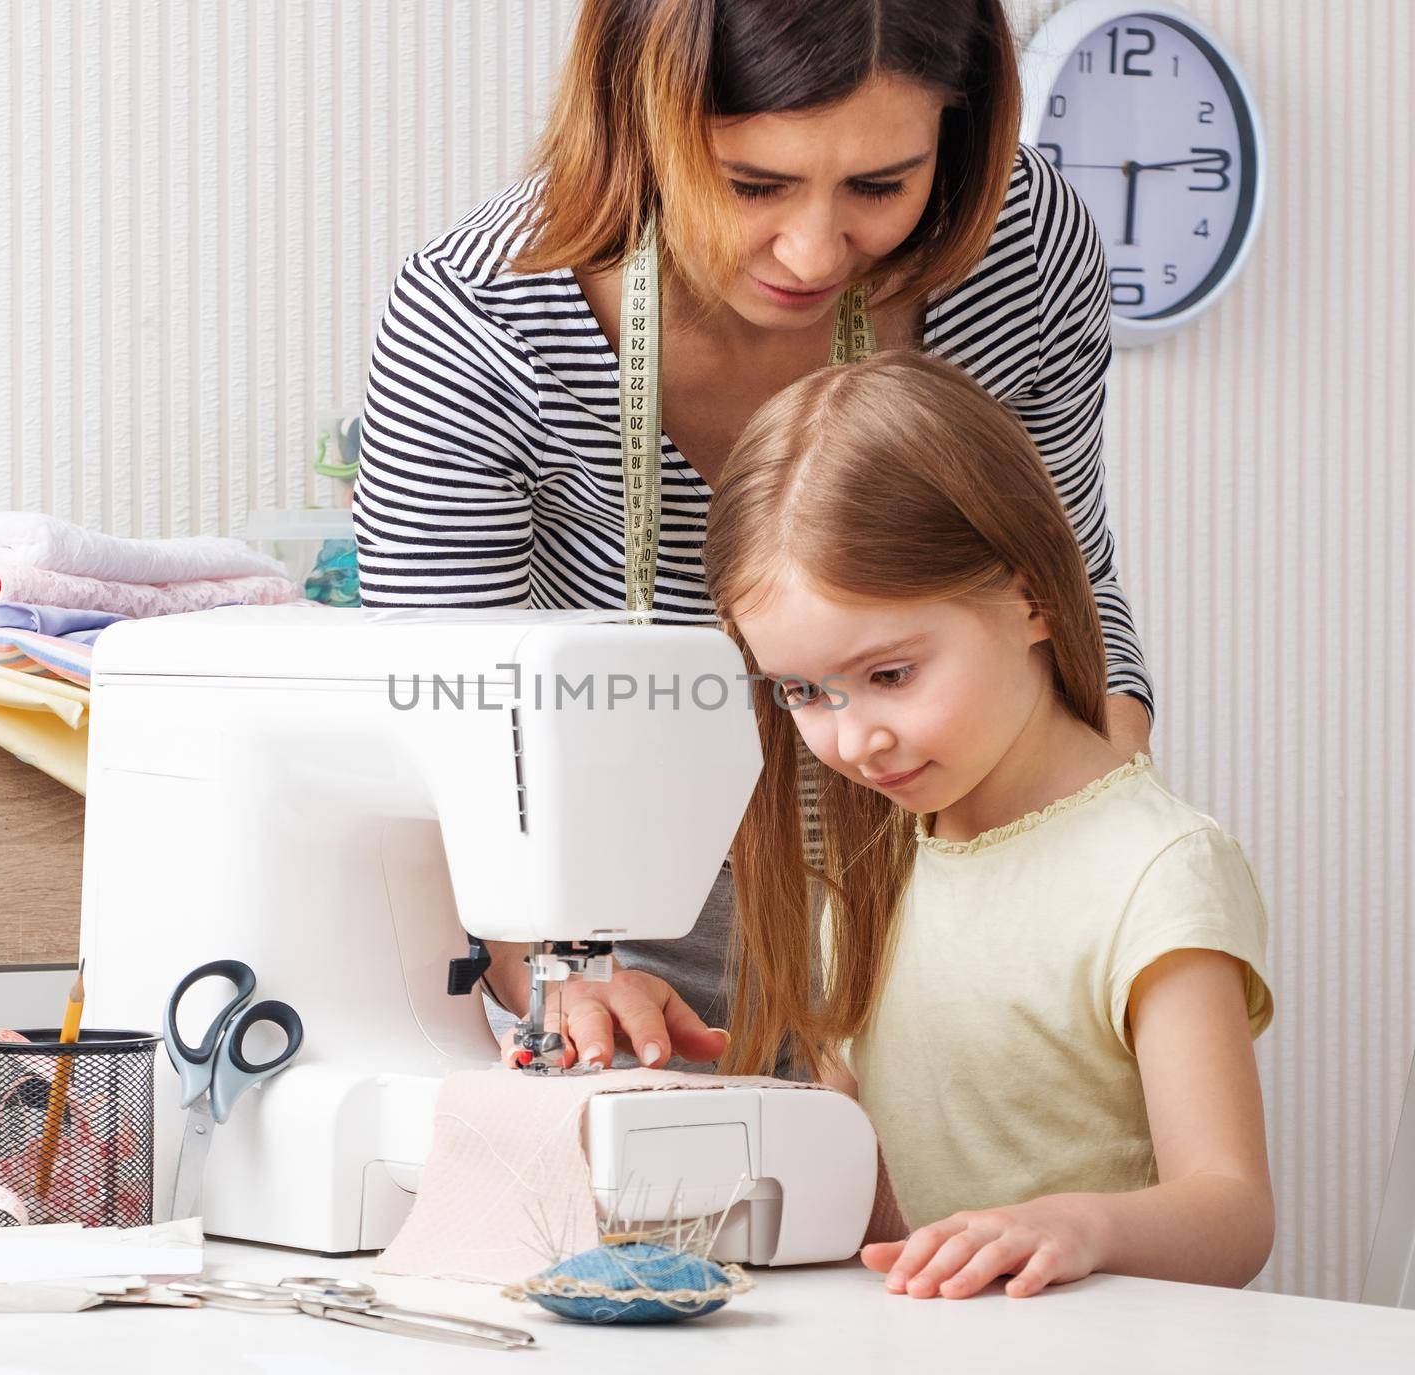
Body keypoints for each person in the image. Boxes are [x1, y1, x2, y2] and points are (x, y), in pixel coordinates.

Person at [354, 0, 1154, 1067]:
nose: (814, 248)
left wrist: (1104, 874)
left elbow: (1065, 584)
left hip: (961, 884)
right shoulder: (481, 315)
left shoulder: (1020, 245)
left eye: (881, 185)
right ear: (636, 120)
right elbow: (440, 726)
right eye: (750, 184)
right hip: (623, 925)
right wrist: (558, 971)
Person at [700, 350, 1274, 1295]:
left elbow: (1233, 1213)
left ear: (1032, 597)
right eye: (805, 691)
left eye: (890, 674)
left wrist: (1076, 1226)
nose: (854, 738)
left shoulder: (1157, 868)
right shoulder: (876, 862)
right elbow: (849, 1174)